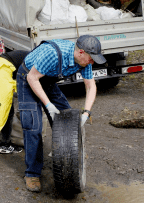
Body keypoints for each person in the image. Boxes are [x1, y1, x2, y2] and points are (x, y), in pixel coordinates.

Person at [16, 35, 106, 192]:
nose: (92, 63)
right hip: (28, 78)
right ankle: (32, 173)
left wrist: (86, 112)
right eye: (91, 59)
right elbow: (32, 77)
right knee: (34, 127)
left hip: (47, 80)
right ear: (81, 53)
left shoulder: (85, 61)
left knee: (67, 119)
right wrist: (48, 104)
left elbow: (90, 86)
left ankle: (66, 154)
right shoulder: (53, 54)